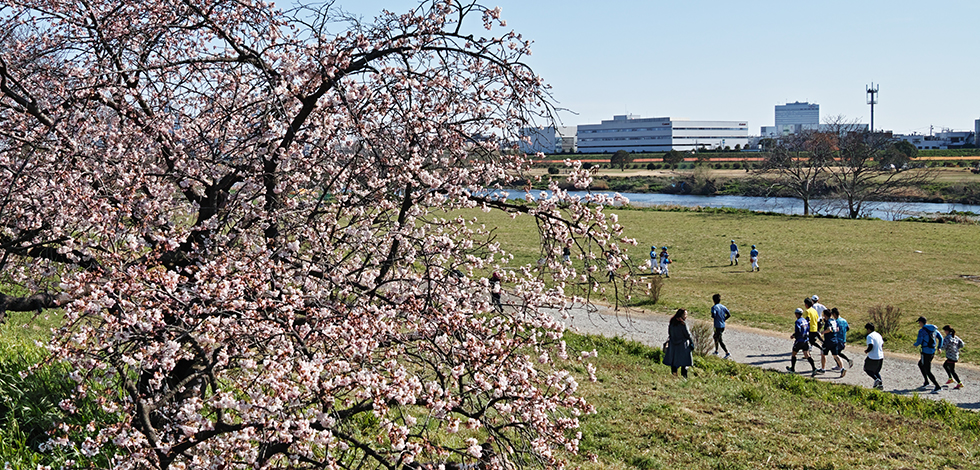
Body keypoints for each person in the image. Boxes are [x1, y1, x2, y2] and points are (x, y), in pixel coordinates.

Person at [913, 316, 943, 392]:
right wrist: (939, 347)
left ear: (921, 322)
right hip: (932, 352)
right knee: (920, 364)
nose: (919, 324)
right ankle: (926, 381)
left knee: (927, 369)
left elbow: (919, 341)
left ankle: (937, 386)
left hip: (925, 352)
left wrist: (915, 345)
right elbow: (941, 338)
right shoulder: (934, 330)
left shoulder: (922, 331)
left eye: (919, 322)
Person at [663, 308, 694, 378]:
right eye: (685, 314)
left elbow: (669, 333)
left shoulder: (672, 322)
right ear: (682, 315)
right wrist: (691, 342)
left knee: (674, 362)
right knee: (685, 362)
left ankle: (674, 376)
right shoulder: (683, 324)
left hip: (673, 345)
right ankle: (684, 377)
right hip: (683, 345)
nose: (686, 316)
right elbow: (687, 334)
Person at [787, 308, 817, 376]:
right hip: (805, 341)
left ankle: (792, 369)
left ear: (797, 314)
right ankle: (814, 368)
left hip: (799, 340)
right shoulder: (805, 320)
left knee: (794, 354)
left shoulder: (798, 321)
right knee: (807, 355)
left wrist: (793, 335)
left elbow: (799, 331)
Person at [817, 309, 845, 377]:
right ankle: (842, 368)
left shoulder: (828, 322)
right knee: (836, 355)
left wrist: (823, 332)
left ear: (825, 315)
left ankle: (823, 369)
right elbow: (837, 329)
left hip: (828, 341)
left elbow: (829, 329)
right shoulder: (834, 321)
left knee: (823, 354)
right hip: (835, 340)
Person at [940, 325, 965, 390]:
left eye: (945, 331)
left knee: (952, 370)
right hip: (955, 355)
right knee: (945, 365)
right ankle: (950, 378)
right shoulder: (955, 337)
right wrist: (956, 348)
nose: (944, 332)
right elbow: (962, 344)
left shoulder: (947, 338)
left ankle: (959, 382)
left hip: (950, 356)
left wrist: (939, 348)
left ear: (947, 331)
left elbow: (943, 347)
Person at [710, 293, 732, 359]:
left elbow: (713, 314)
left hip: (717, 325)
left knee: (719, 339)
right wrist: (724, 319)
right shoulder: (723, 306)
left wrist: (713, 316)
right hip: (722, 325)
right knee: (715, 337)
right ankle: (716, 351)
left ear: (713, 300)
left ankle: (727, 352)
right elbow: (729, 314)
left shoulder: (714, 307)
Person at [864, 323, 884, 390]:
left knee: (866, 369)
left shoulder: (869, 336)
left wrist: (867, 351)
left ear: (869, 329)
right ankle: (880, 385)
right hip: (881, 356)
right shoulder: (878, 335)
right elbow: (882, 344)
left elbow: (871, 345)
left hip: (873, 356)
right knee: (876, 371)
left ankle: (876, 379)